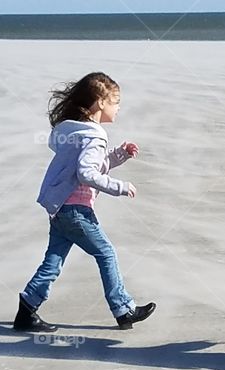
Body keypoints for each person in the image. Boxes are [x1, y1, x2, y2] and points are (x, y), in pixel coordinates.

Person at [15, 72, 156, 333]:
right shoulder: (95, 135)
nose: (118, 108)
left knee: (53, 261)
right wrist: (119, 187)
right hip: (76, 210)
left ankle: (26, 311)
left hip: (59, 208)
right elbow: (86, 173)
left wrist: (119, 155)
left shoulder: (74, 131)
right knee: (106, 253)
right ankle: (123, 309)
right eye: (115, 101)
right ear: (100, 103)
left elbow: (85, 165)